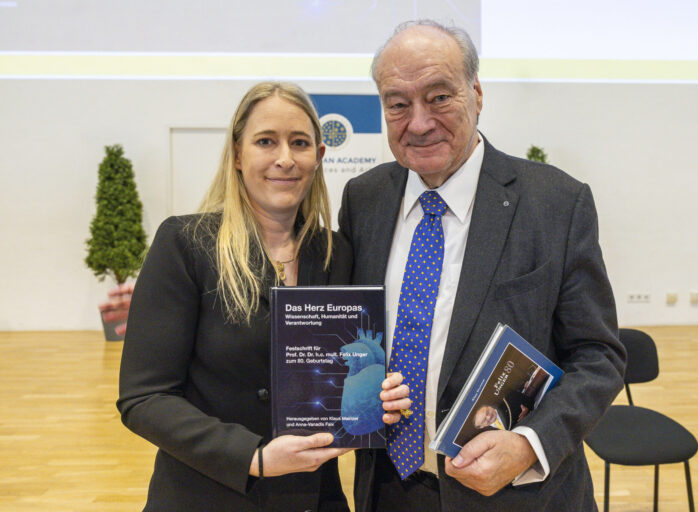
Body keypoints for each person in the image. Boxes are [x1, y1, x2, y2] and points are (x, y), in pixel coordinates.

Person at [338, 20, 626, 511]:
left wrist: (530, 444)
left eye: (439, 97)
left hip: (517, 496)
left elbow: (598, 355)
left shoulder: (556, 203)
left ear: (475, 93)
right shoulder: (363, 199)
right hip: (387, 488)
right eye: (398, 104)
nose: (419, 123)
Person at [116, 82, 410, 512]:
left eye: (300, 143)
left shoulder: (336, 253)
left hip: (314, 498)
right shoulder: (185, 244)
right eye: (266, 141)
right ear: (237, 154)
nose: (285, 158)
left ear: (319, 156)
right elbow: (144, 398)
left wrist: (376, 396)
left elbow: (343, 371)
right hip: (207, 497)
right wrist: (252, 458)